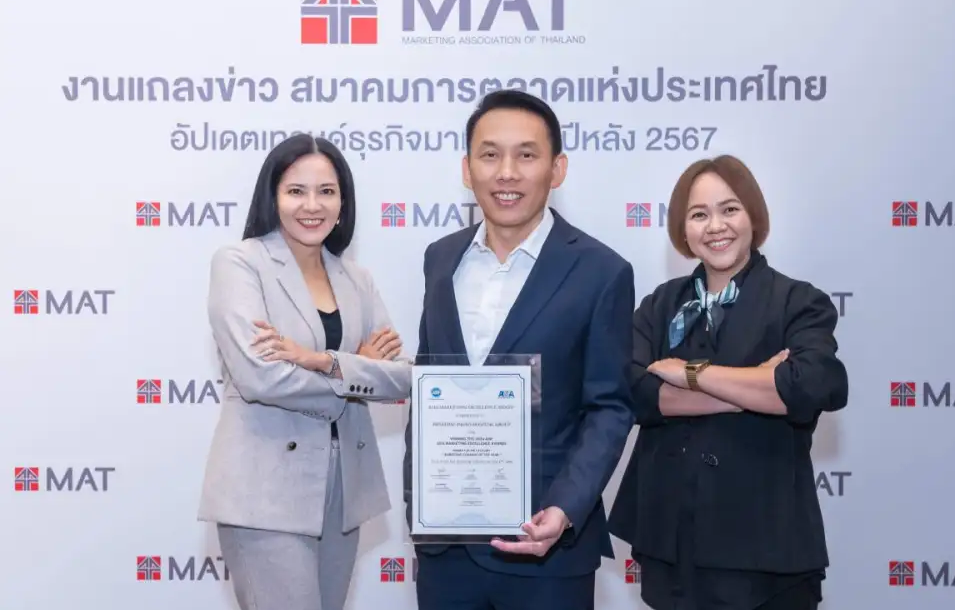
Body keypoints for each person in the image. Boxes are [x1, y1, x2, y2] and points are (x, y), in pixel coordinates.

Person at [402, 89, 636, 610]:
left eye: (526, 155)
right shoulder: (440, 259)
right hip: (445, 549)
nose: (506, 172)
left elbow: (610, 407)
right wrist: (418, 500)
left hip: (545, 548)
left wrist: (566, 508)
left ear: (557, 169)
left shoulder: (602, 271)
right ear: (467, 169)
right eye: (490, 155)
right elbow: (428, 384)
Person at [607, 155, 849, 610]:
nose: (716, 226)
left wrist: (691, 374)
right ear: (683, 230)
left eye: (730, 209)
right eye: (699, 214)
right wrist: (756, 388)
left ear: (753, 216)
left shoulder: (798, 302)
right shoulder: (661, 304)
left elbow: (813, 386)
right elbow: (635, 393)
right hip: (672, 547)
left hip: (767, 554)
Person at [197, 134, 411, 610]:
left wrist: (325, 361)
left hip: (345, 490)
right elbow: (261, 378)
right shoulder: (240, 263)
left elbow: (401, 376)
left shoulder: (357, 278)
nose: (312, 205)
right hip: (265, 492)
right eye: (296, 191)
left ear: (342, 202)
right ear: (272, 197)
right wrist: (357, 372)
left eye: (326, 191)